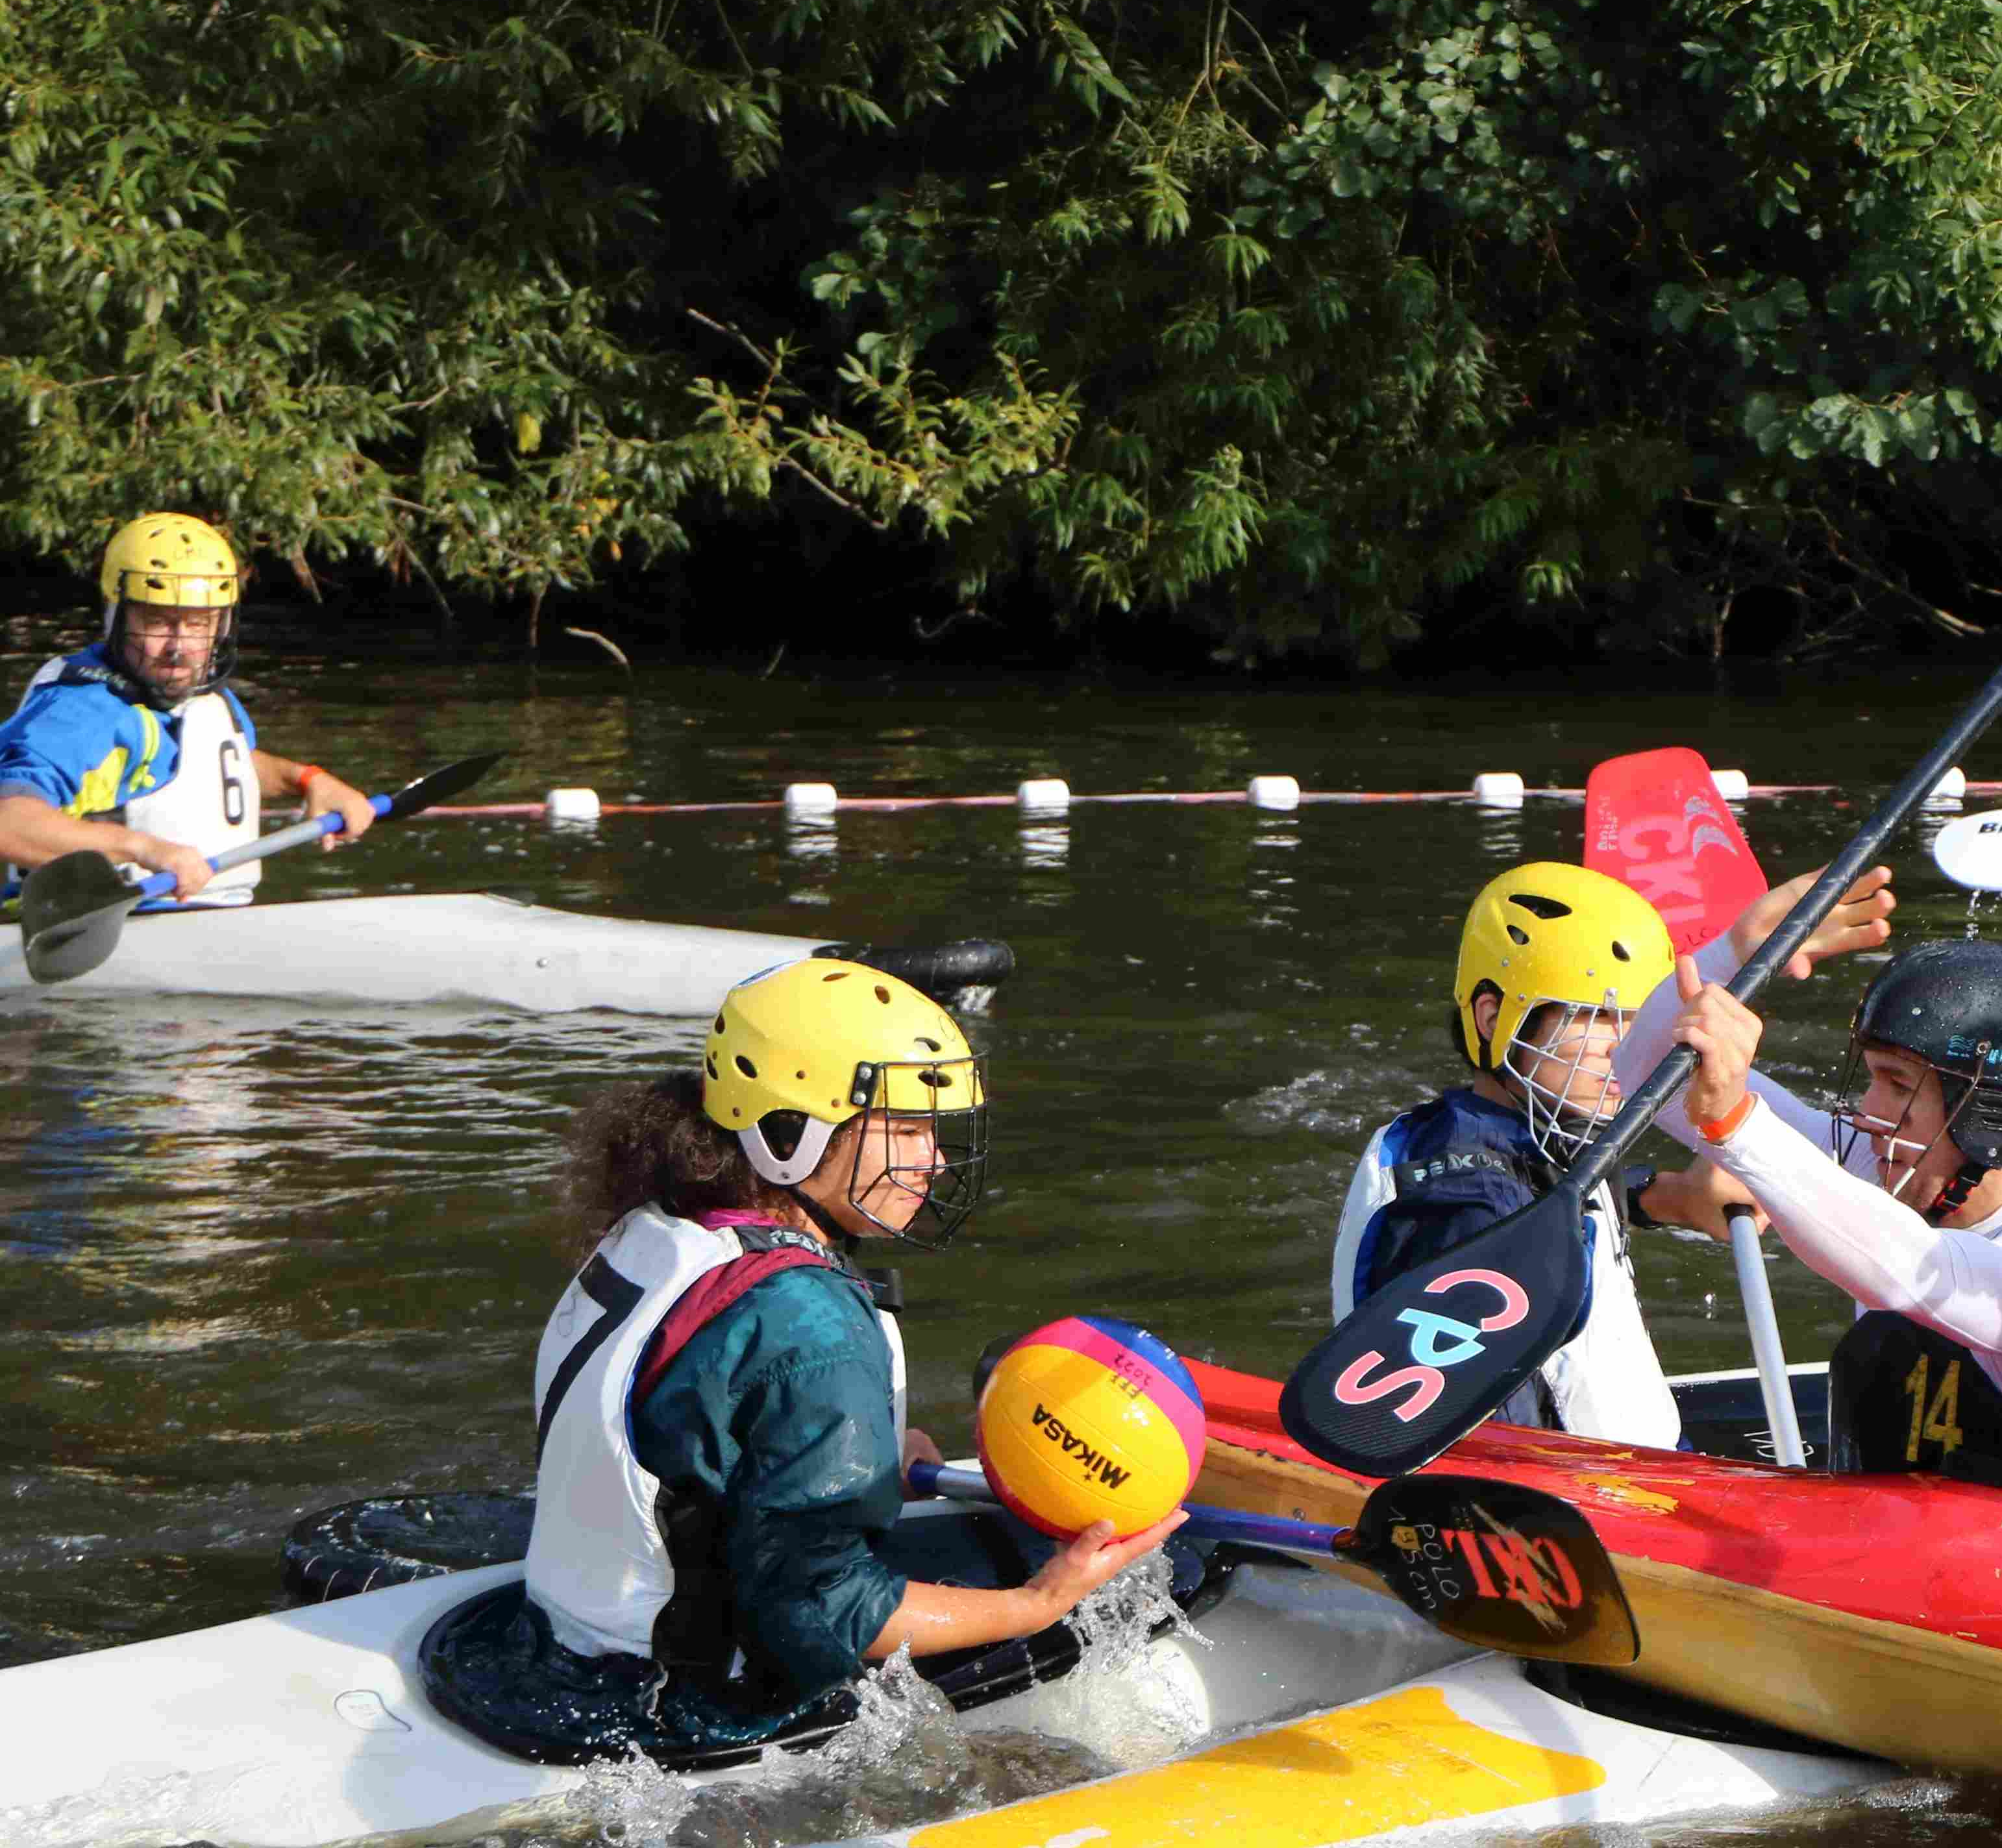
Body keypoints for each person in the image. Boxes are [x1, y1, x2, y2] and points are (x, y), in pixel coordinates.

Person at [428, 959, 1177, 1760]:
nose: (933, 1161)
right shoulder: (810, 1322)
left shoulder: (659, 1227)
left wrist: (868, 1451)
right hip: (686, 1703)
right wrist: (1038, 1602)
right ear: (790, 1136)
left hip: (558, 1640)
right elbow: (821, 1617)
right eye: (906, 1129)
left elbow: (698, 1432)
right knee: (1139, 1578)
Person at [1336, 859, 1895, 1445]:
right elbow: (1484, 1445)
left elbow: (1542, 1184)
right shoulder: (1465, 1211)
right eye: (1596, 1015)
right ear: (1494, 1016)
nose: (1626, 1042)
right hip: (1589, 1503)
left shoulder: (1487, 1133)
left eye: (1635, 1017)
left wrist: (1667, 1196)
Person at [1644, 933, 2002, 1485]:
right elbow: (1644, 1068)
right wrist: (1739, 950)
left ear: (1994, 1113)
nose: (1867, 1112)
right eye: (1873, 1077)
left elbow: (1921, 1272)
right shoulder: (1881, 1171)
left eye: (1898, 1085)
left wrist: (1736, 1125)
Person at [0, 514, 375, 905]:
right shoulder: (84, 713)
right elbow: (8, 823)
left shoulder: (197, 694)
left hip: (206, 920)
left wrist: (308, 780)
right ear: (116, 618)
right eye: (159, 621)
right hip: (102, 932)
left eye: (199, 624)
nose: (179, 648)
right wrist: (144, 850)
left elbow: (211, 768)